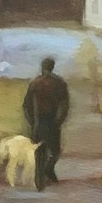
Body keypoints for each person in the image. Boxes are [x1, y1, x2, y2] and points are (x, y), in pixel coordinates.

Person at [22, 57, 70, 189]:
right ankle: (48, 170)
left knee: (39, 151)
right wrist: (60, 120)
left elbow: (26, 105)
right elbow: (65, 105)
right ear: (52, 67)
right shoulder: (60, 83)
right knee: (55, 151)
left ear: (42, 67)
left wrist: (32, 121)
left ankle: (40, 180)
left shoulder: (35, 83)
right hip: (52, 121)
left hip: (38, 122)